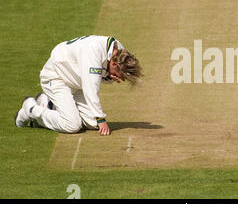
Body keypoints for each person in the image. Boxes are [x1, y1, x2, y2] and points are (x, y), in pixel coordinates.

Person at [14, 35, 142, 135]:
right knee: (72, 125)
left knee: (92, 123)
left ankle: (48, 103)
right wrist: (101, 119)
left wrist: (109, 76)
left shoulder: (119, 52)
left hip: (76, 81)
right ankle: (30, 109)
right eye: (121, 75)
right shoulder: (94, 52)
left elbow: (99, 75)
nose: (120, 79)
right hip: (56, 76)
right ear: (114, 64)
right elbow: (91, 89)